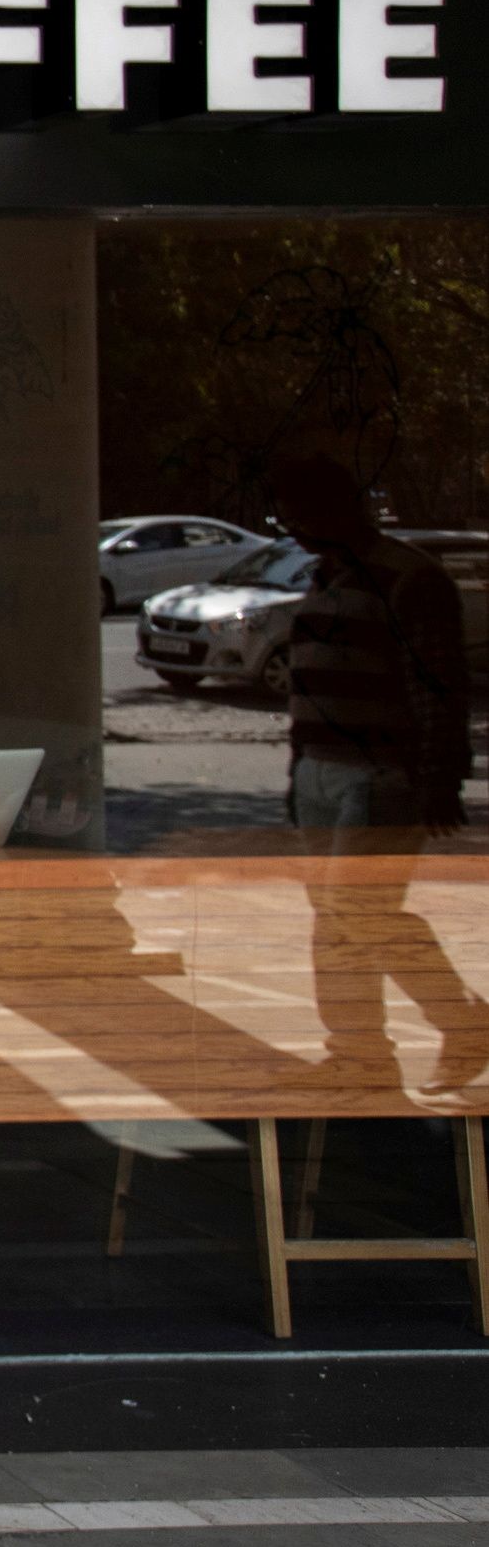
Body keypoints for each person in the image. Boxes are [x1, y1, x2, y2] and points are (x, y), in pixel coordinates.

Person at [269, 453, 489, 1086]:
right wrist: (297, 773)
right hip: (320, 769)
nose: (294, 530)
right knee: (335, 915)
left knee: (359, 910)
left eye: (302, 516)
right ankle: (358, 1052)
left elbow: (438, 685)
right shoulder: (326, 576)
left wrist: (440, 775)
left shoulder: (408, 579)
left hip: (379, 773)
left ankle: (456, 1021)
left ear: (341, 509)